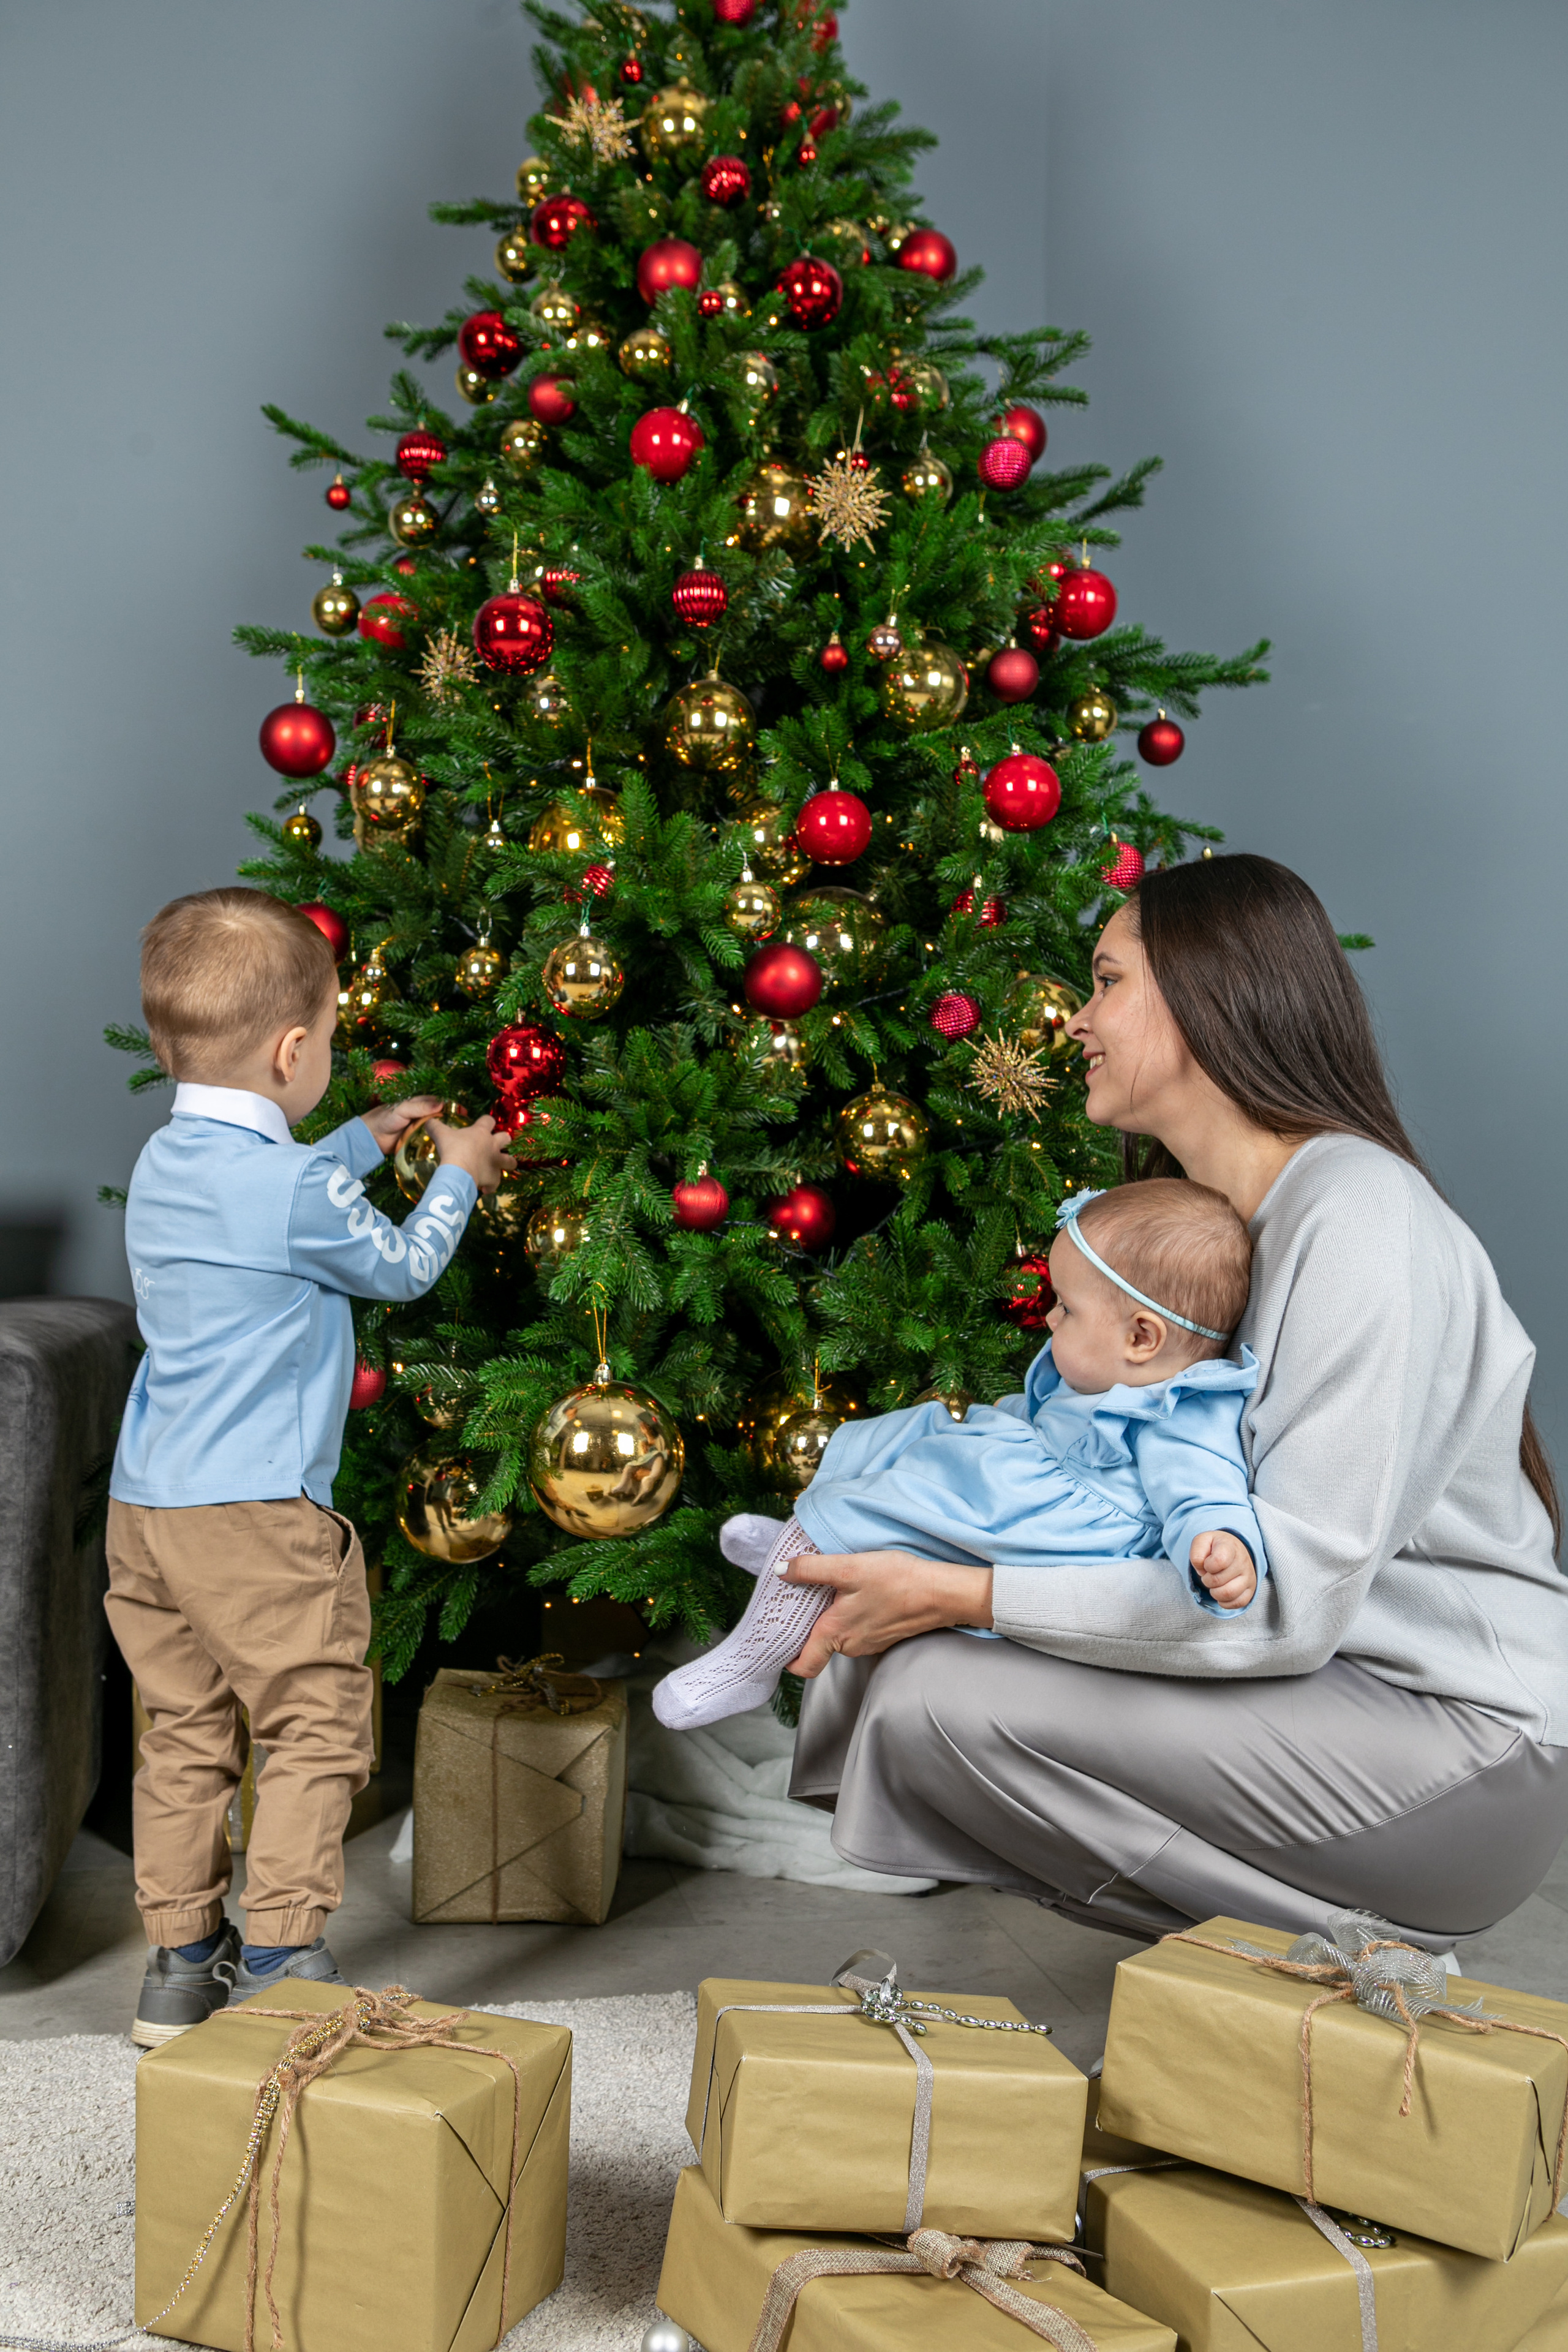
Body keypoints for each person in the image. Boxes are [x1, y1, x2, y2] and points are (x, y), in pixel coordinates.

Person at [778, 854, 1568, 1953]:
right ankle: (1243, 1999)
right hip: (1338, 1706)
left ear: (1208, 994)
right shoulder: (1200, 1232)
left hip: (1466, 1755)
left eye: (1106, 982)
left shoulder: (1360, 1218)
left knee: (944, 1697)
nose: (1075, 1021)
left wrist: (961, 1591)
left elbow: (1279, 1606)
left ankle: (1327, 1970)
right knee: (915, 1678)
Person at [107, 889, 511, 2046]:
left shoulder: (168, 1156)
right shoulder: (295, 1193)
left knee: (183, 1729)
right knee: (314, 1723)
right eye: (328, 1042)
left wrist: (351, 1142)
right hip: (258, 1516)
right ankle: (285, 1956)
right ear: (294, 1050)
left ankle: (178, 1968)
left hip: (149, 1510)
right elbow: (394, 1268)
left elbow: (272, 1204)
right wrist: (456, 1175)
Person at [652, 1177, 1267, 1732]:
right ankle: (815, 1556)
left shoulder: (1183, 1411)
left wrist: (1220, 1545)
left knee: (902, 1496)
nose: (1049, 1319)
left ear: (1141, 1337)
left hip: (1045, 1530)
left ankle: (753, 1657)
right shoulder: (1112, 1375)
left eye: (1067, 1308)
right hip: (1018, 1490)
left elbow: (1205, 1491)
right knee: (906, 1441)